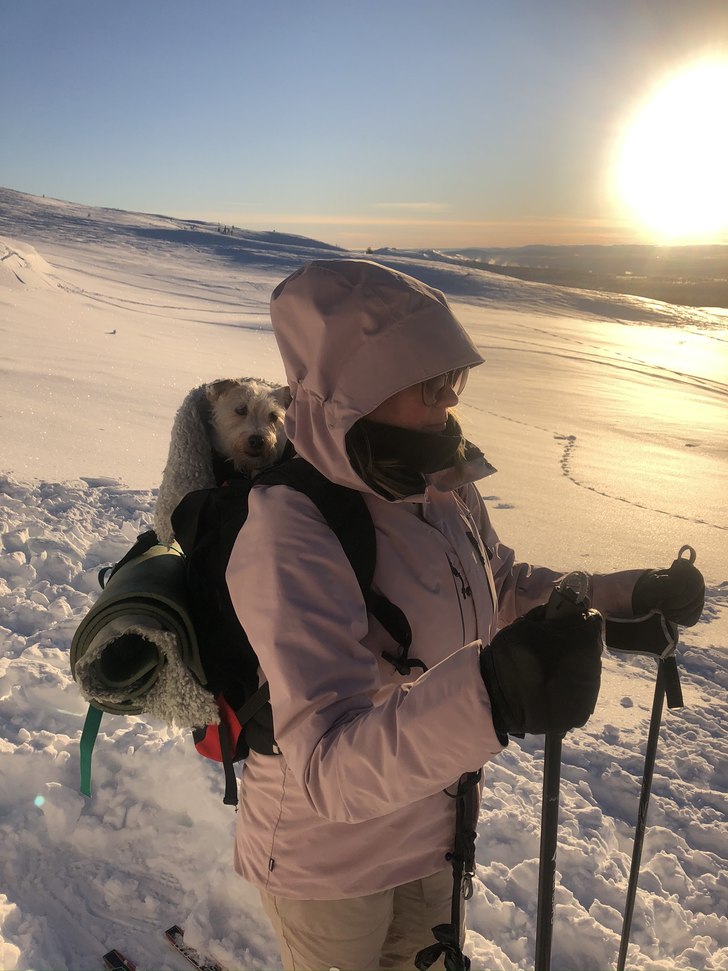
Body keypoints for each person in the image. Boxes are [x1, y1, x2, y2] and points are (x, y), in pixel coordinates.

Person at [225, 259, 704, 971]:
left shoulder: (438, 481)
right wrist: (495, 695)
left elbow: (501, 584)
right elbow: (326, 765)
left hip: (433, 825)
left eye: (454, 378)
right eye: (429, 380)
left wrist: (621, 600)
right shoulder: (289, 528)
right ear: (361, 384)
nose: (450, 398)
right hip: (325, 862)